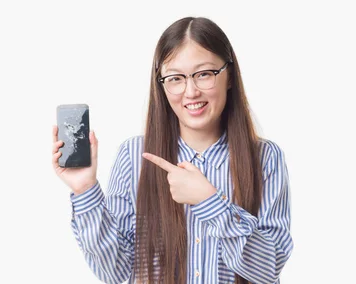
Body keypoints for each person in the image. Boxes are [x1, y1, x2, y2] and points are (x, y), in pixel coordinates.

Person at [51, 16, 293, 284]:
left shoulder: (265, 158)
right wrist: (85, 190)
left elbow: (268, 270)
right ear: (162, 85)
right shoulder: (135, 156)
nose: (190, 92)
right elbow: (117, 273)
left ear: (230, 76)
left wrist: (210, 202)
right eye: (176, 78)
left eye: (204, 74)